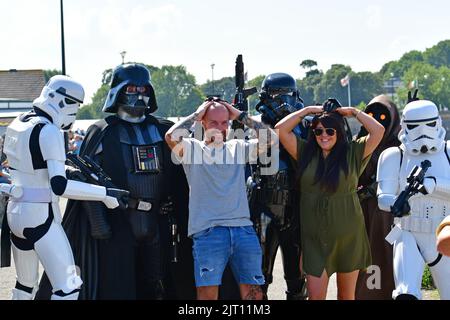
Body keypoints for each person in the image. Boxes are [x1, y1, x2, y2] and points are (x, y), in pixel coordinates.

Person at [37, 64, 195, 300]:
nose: (138, 94)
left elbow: (183, 175)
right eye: (132, 88)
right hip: (119, 221)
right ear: (118, 91)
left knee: (160, 283)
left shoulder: (164, 130)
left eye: (143, 88)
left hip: (159, 221)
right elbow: (86, 180)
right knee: (118, 285)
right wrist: (98, 224)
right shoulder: (102, 131)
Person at [2, 75, 128, 300]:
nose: (75, 112)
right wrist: (105, 194)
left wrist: (69, 170)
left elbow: (32, 167)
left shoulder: (18, 123)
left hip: (16, 212)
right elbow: (59, 186)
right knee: (68, 286)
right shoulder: (48, 130)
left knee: (24, 286)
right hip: (40, 215)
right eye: (75, 105)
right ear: (62, 101)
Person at [274, 98, 385, 300]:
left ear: (339, 132)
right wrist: (307, 110)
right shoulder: (305, 152)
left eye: (330, 131)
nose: (324, 136)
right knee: (316, 297)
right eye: (318, 131)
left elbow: (378, 131)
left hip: (348, 238)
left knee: (346, 297)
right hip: (315, 241)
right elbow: (280, 129)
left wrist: (352, 112)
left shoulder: (353, 152)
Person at [165, 98, 272, 300]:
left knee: (255, 293)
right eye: (214, 122)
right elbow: (171, 136)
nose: (220, 128)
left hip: (243, 230)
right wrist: (196, 114)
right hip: (208, 232)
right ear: (203, 123)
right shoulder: (192, 149)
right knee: (207, 295)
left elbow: (271, 140)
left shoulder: (238, 147)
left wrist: (239, 115)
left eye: (225, 122)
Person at [377, 99, 450, 299]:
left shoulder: (448, 151)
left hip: (444, 232)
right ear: (405, 127)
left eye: (428, 124)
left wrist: (434, 185)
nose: (422, 132)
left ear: (437, 123)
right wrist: (398, 204)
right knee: (405, 294)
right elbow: (383, 197)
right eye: (414, 126)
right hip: (408, 233)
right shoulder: (394, 155)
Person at [247, 73, 308, 299]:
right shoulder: (252, 125)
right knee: (259, 274)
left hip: (295, 206)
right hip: (263, 205)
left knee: (296, 276)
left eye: (286, 94)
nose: (281, 100)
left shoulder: (305, 125)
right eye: (275, 94)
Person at [355, 95, 400, 300]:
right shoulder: (361, 143)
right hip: (363, 213)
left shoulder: (400, 146)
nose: (378, 120)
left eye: (383, 116)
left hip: (389, 215)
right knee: (366, 261)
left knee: (390, 259)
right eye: (372, 116)